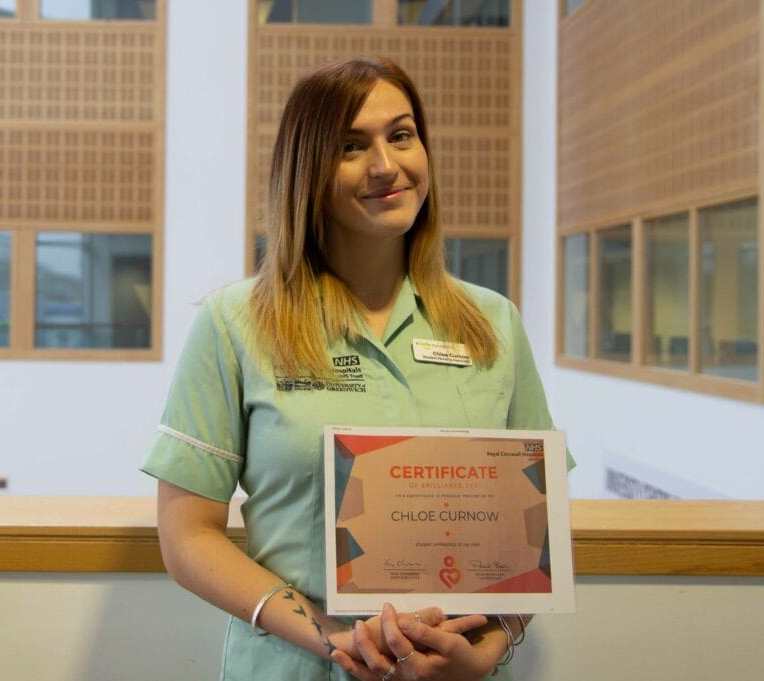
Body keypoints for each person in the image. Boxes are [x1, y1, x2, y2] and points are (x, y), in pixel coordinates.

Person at [141, 57, 563, 681]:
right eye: (349, 146)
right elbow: (188, 537)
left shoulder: (493, 322)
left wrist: (487, 646)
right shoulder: (236, 323)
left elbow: (537, 528)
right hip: (294, 667)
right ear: (307, 170)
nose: (386, 166)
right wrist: (335, 641)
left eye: (401, 135)